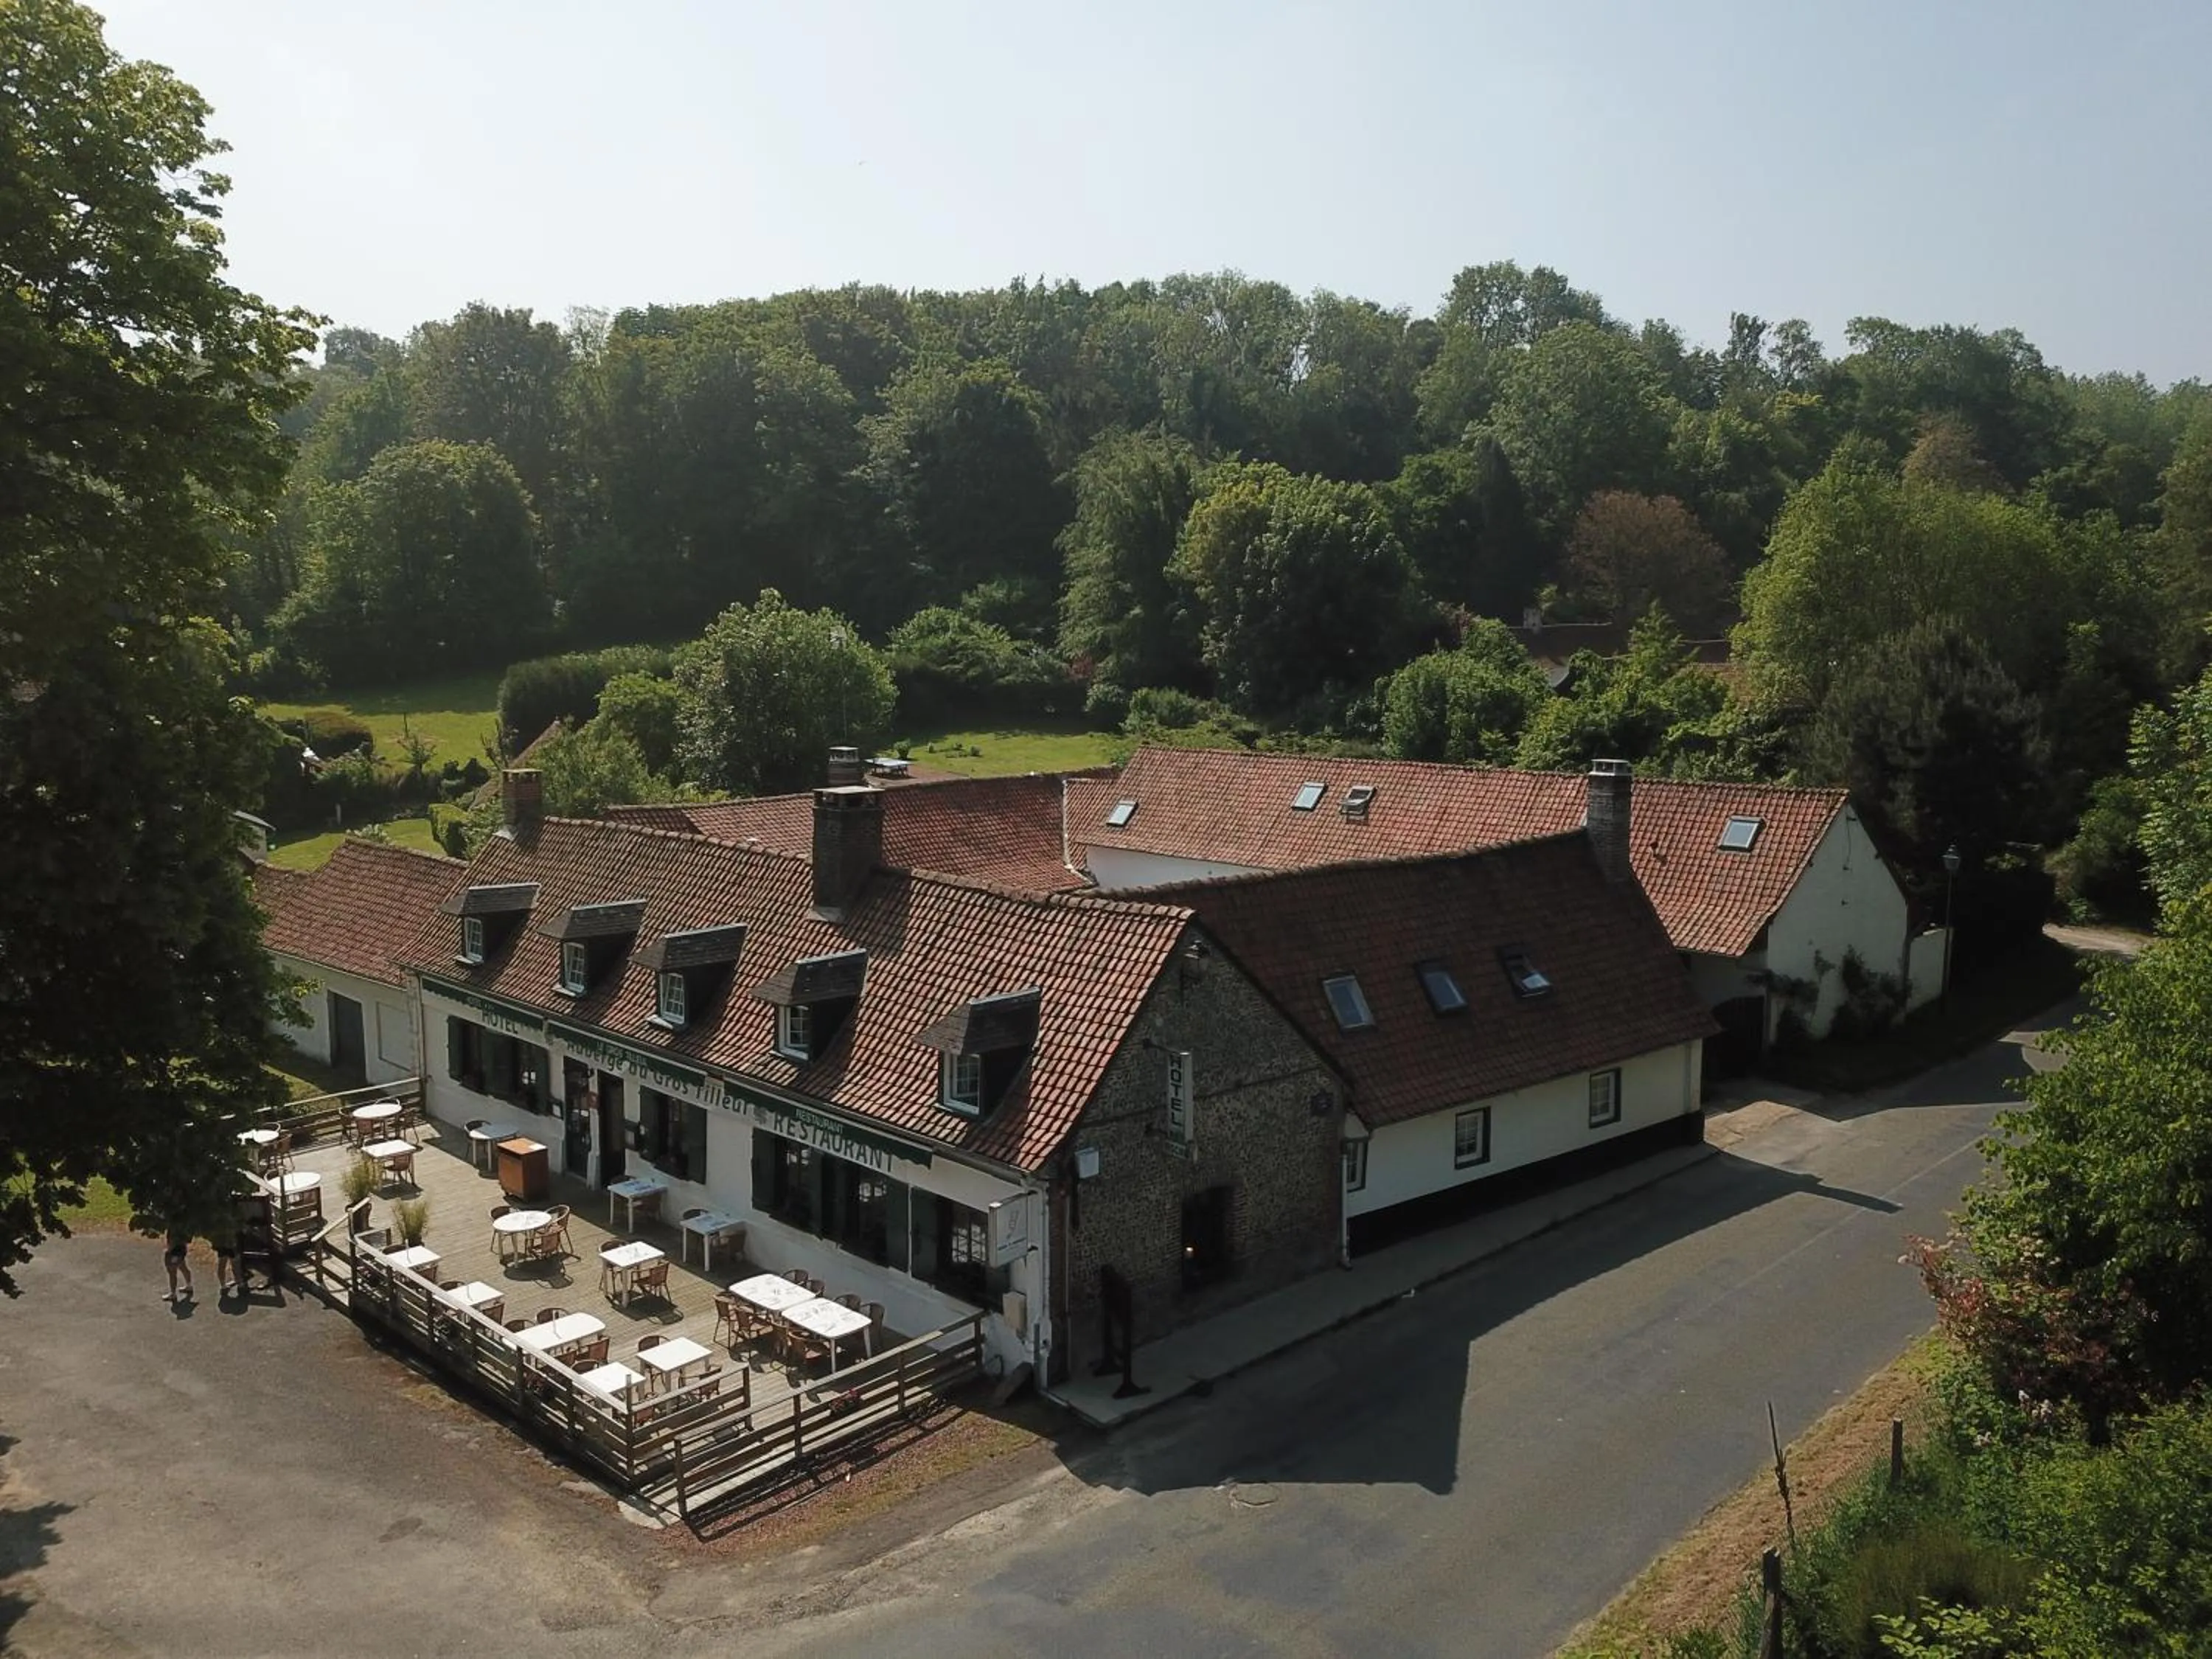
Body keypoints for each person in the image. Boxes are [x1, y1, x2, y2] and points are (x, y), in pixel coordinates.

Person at [163, 1227, 193, 1304]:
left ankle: (173, 1294)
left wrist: (169, 1250)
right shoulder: (185, 1224)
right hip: (182, 1249)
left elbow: (172, 1240)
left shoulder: (174, 1226)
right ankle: (189, 1285)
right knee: (183, 1267)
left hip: (175, 1251)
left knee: (172, 1272)